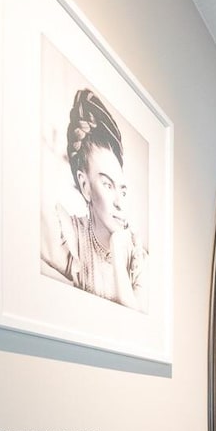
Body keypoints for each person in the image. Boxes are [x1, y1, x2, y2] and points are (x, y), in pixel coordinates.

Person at [41, 88, 147, 313]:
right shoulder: (71, 237)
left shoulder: (136, 253)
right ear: (85, 185)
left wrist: (119, 258)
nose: (119, 201)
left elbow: (138, 325)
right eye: (107, 185)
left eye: (122, 189)